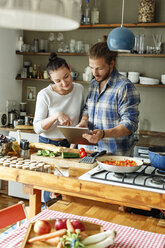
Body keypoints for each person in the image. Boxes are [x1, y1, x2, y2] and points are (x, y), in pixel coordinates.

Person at [33, 52, 84, 202]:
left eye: (66, 76)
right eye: (58, 80)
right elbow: (37, 127)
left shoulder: (79, 89)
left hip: (70, 144)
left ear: (69, 69)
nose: (64, 83)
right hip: (48, 145)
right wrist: (56, 115)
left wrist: (74, 144)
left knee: (69, 188)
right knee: (50, 187)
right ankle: (49, 216)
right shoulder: (45, 95)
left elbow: (80, 119)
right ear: (51, 79)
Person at [78, 42, 140, 156]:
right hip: (89, 153)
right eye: (91, 68)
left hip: (114, 157)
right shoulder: (93, 84)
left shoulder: (124, 86)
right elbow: (87, 108)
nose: (94, 73)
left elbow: (130, 124)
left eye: (99, 68)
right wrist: (84, 121)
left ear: (111, 64)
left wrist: (103, 134)